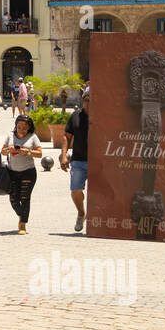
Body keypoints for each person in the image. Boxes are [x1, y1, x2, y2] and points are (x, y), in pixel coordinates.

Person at [2, 114, 42, 234]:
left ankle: (23, 224)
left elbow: (40, 154)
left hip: (28, 172)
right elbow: (3, 151)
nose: (21, 130)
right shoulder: (10, 135)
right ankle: (22, 214)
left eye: (24, 128)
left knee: (25, 198)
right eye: (19, 127)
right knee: (13, 199)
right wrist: (7, 150)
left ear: (29, 127)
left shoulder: (33, 137)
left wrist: (28, 152)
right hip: (12, 172)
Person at [60, 90, 91, 232]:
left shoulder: (104, 116)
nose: (89, 102)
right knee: (75, 190)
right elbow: (67, 136)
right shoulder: (75, 116)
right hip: (78, 160)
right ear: (82, 100)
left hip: (99, 162)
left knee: (98, 192)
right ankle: (81, 213)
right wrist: (64, 155)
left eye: (92, 99)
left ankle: (96, 218)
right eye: (86, 99)